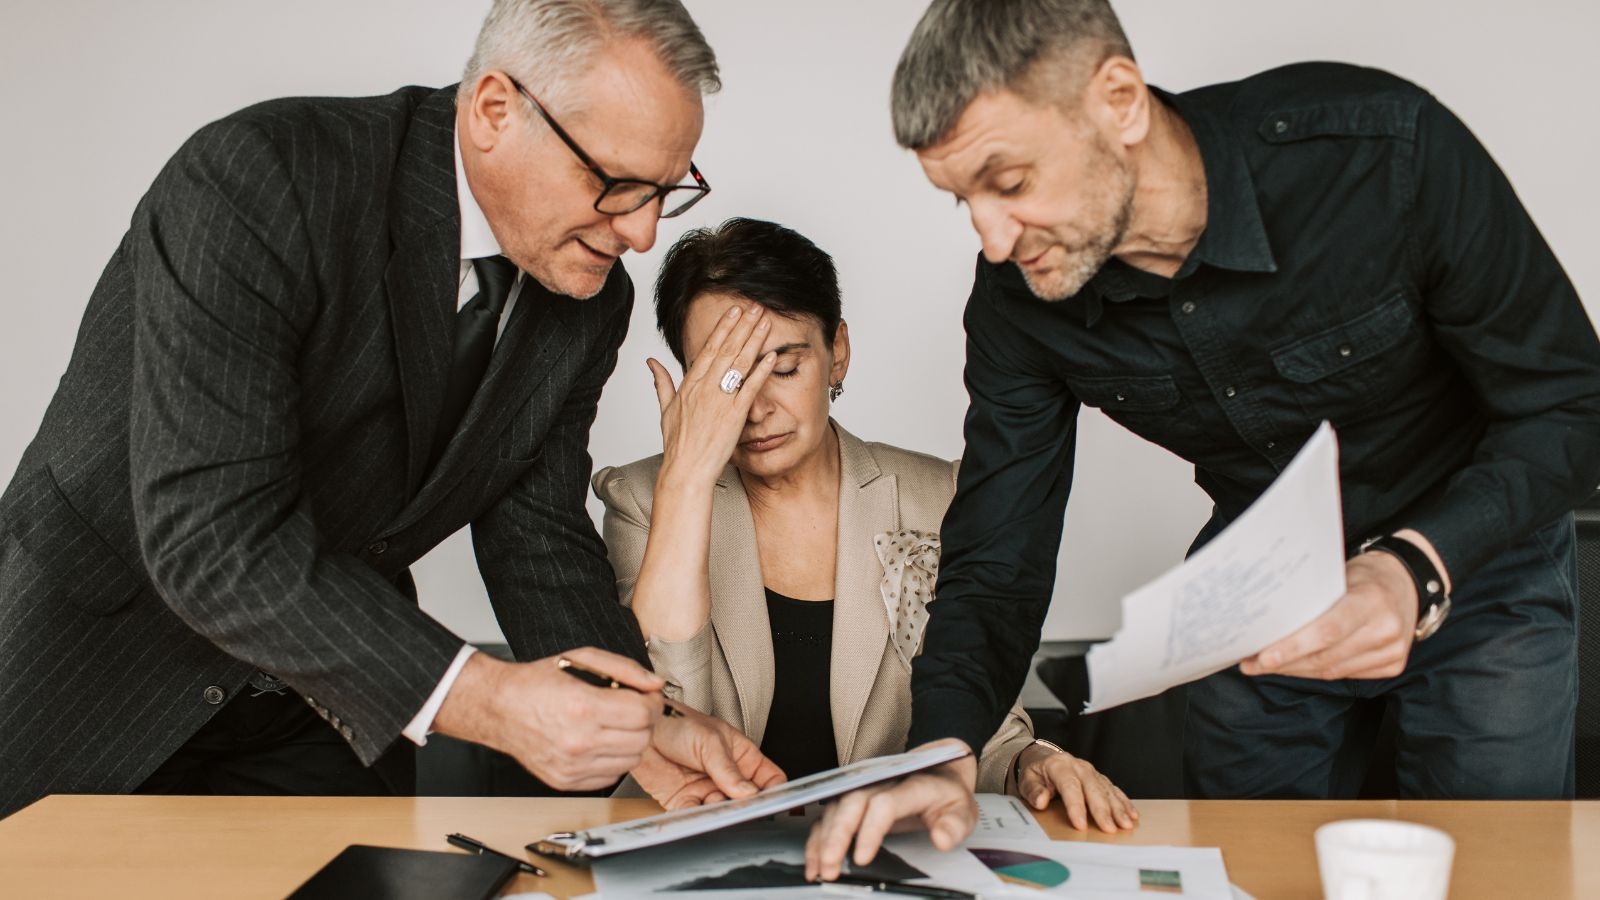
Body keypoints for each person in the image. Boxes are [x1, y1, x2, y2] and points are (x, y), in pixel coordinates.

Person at [806, 0, 1600, 880]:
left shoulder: (1386, 156)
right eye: (964, 201)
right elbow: (999, 556)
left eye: (1012, 182)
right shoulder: (1014, 304)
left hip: (1479, 559)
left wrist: (1413, 568)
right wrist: (944, 752)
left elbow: (1572, 404)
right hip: (1263, 591)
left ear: (1119, 102)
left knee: (1494, 875)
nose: (992, 240)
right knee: (1245, 871)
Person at [0, 0, 783, 818]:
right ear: (493, 111)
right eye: (616, 184)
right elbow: (211, 536)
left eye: (667, 190)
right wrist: (491, 701)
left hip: (326, 704)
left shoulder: (588, 299)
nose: (644, 232)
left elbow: (536, 536)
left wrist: (641, 722)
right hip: (92, 669)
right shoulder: (259, 176)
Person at [593, 217, 1137, 827]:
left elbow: (985, 734)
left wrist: (1033, 761)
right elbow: (666, 720)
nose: (757, 409)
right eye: (725, 380)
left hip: (884, 855)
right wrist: (687, 482)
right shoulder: (644, 500)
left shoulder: (940, 496)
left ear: (837, 353)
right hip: (694, 858)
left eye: (785, 367)